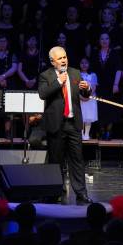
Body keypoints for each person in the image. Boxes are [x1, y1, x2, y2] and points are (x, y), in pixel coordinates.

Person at [38, 46, 92, 204]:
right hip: (56, 124)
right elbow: (42, 94)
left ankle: (81, 193)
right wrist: (58, 82)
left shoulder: (74, 73)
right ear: (52, 61)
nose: (63, 60)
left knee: (77, 160)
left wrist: (87, 89)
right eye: (60, 58)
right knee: (56, 161)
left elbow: (84, 95)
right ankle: (56, 192)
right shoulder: (45, 75)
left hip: (73, 123)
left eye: (65, 57)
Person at [79, 57, 98, 141]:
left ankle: (86, 134)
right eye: (82, 63)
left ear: (89, 64)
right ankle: (81, 134)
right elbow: (75, 87)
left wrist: (87, 96)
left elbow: (93, 87)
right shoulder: (77, 74)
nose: (84, 65)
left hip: (90, 98)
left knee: (88, 116)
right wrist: (81, 97)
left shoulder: (93, 74)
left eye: (86, 63)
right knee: (81, 116)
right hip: (80, 98)